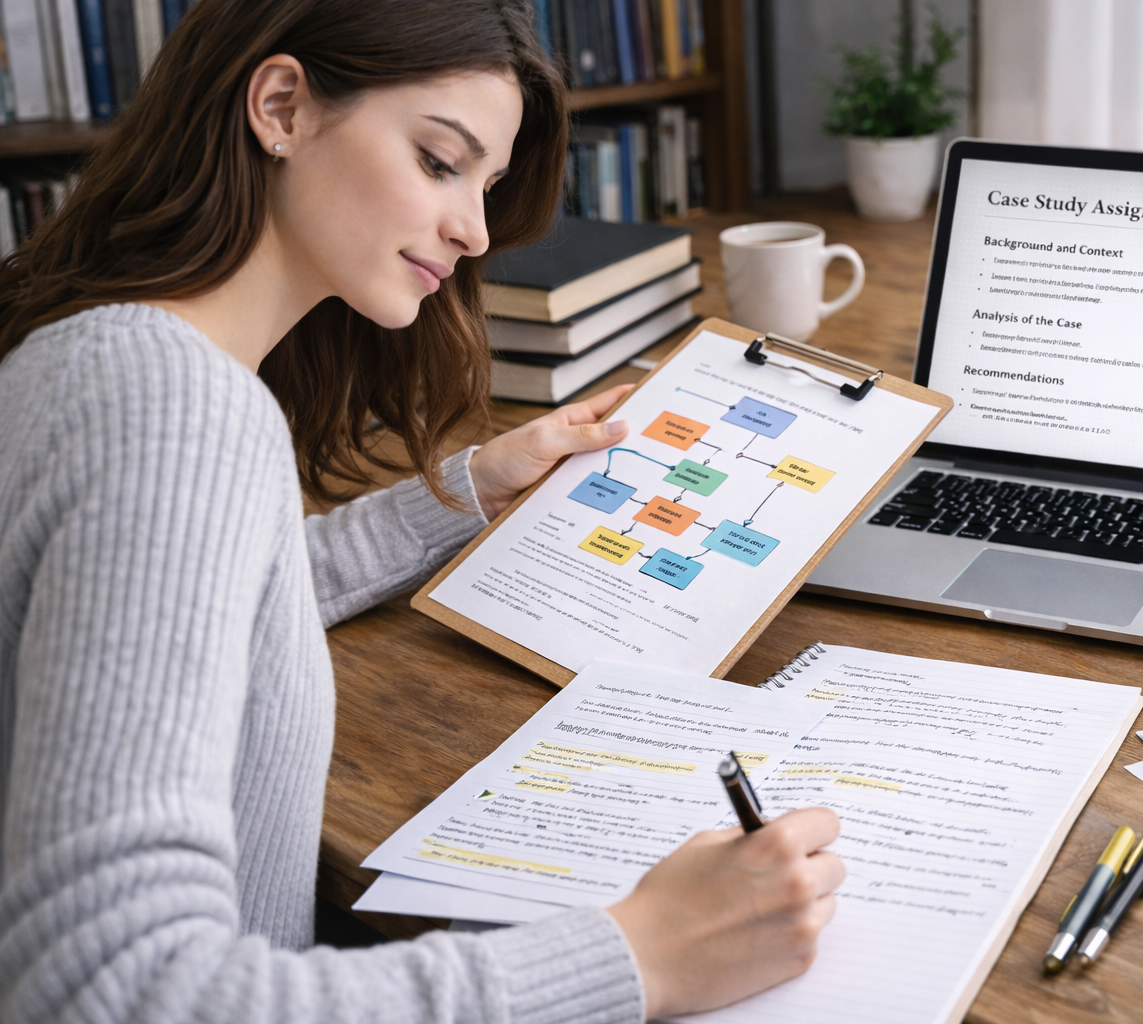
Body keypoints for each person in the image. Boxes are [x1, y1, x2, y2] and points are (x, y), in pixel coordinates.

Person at [0, 1, 845, 1021]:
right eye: (441, 162)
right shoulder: (179, 413)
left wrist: (473, 487)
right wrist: (641, 955)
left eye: (485, 187)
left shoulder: (92, 355)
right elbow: (110, 989)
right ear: (281, 107)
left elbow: (195, 611)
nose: (476, 230)